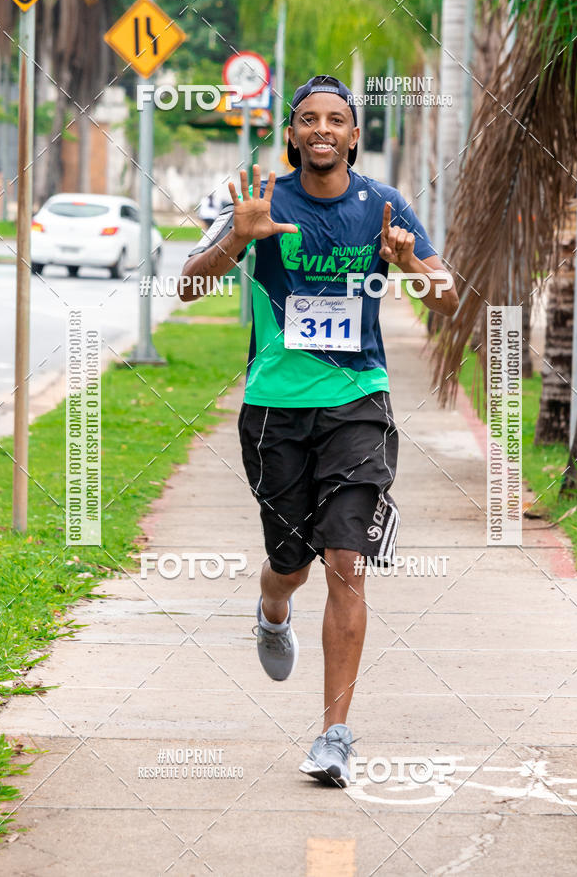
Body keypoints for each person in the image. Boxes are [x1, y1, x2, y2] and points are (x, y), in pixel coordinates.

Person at [180, 75, 458, 788]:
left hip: (358, 400)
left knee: (346, 559)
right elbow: (185, 283)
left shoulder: (385, 206)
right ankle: (273, 608)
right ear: (294, 134)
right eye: (310, 119)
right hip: (274, 407)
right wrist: (234, 244)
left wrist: (409, 266)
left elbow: (447, 293)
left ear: (354, 135)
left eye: (337, 119)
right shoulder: (260, 200)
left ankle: (334, 733)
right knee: (293, 563)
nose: (324, 129)